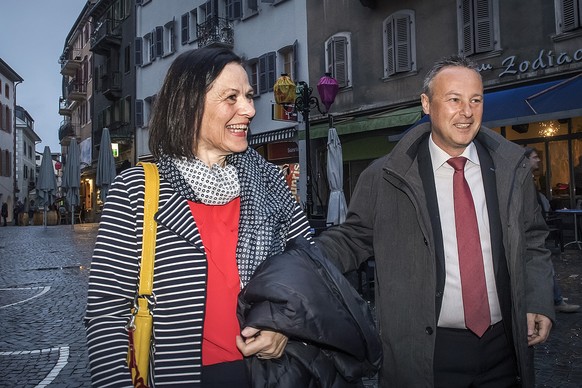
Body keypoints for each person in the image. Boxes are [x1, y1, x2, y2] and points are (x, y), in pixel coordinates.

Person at [315, 55, 555, 387]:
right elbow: (351, 238)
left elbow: (532, 239)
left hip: (505, 348)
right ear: (426, 104)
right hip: (426, 354)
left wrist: (539, 299)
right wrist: (296, 266)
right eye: (454, 99)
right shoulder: (385, 176)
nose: (467, 112)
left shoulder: (511, 169)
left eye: (475, 100)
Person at [84, 47, 311, 387]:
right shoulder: (136, 190)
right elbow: (106, 314)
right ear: (188, 104)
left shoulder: (270, 182)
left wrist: (285, 325)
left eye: (248, 96)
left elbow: (309, 271)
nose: (249, 109)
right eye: (231, 97)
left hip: (272, 375)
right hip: (180, 377)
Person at [525, 147, 580, 313]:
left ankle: (554, 299)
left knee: (544, 264)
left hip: (535, 229)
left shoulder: (530, 179)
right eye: (535, 157)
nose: (539, 160)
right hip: (530, 231)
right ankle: (554, 300)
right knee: (543, 264)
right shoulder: (524, 180)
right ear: (526, 160)